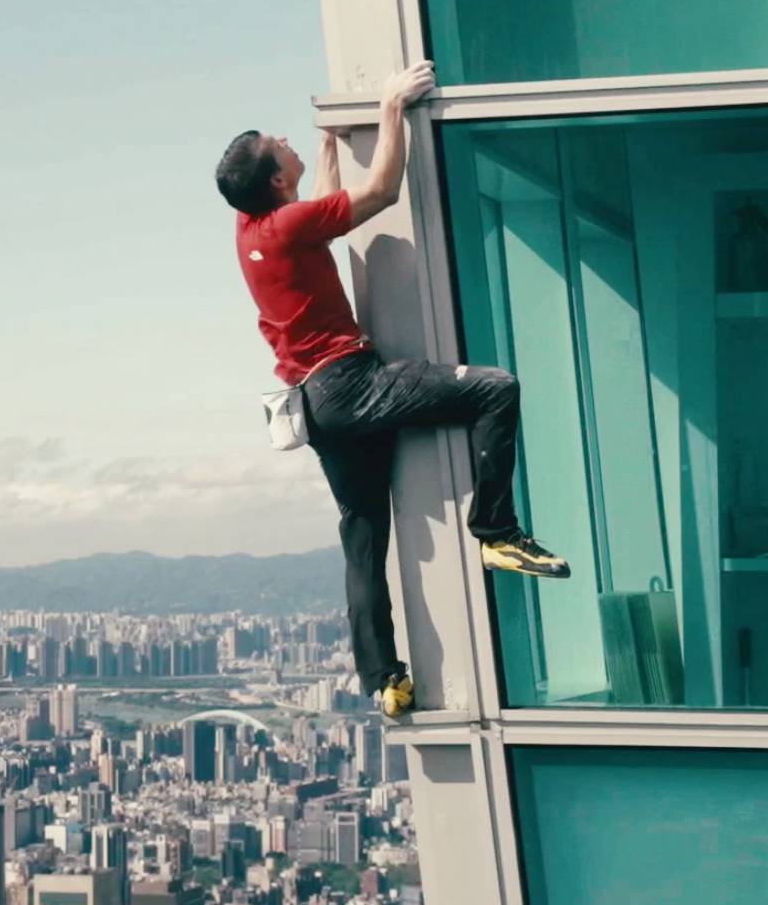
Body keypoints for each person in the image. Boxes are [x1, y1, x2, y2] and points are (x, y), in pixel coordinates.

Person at [217, 60, 568, 718]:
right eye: (278, 143)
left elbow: (323, 214)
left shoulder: (255, 228)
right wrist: (390, 107)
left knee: (364, 531)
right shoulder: (286, 226)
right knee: (495, 389)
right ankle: (496, 528)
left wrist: (323, 149)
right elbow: (378, 192)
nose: (284, 137)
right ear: (273, 178)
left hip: (318, 407)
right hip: (353, 384)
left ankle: (383, 678)